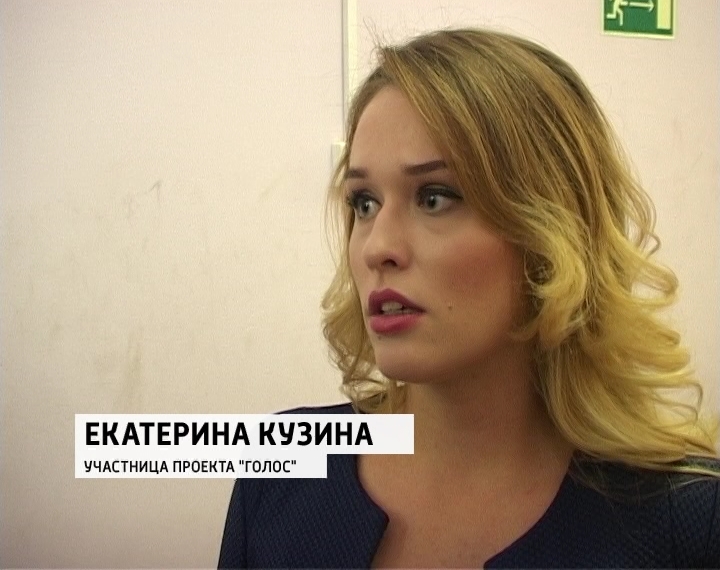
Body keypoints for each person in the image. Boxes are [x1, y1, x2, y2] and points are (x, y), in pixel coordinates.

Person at [218, 28, 720, 568]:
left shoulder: (685, 522)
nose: (377, 247)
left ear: (549, 234)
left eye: (434, 197)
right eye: (364, 203)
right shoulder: (280, 470)